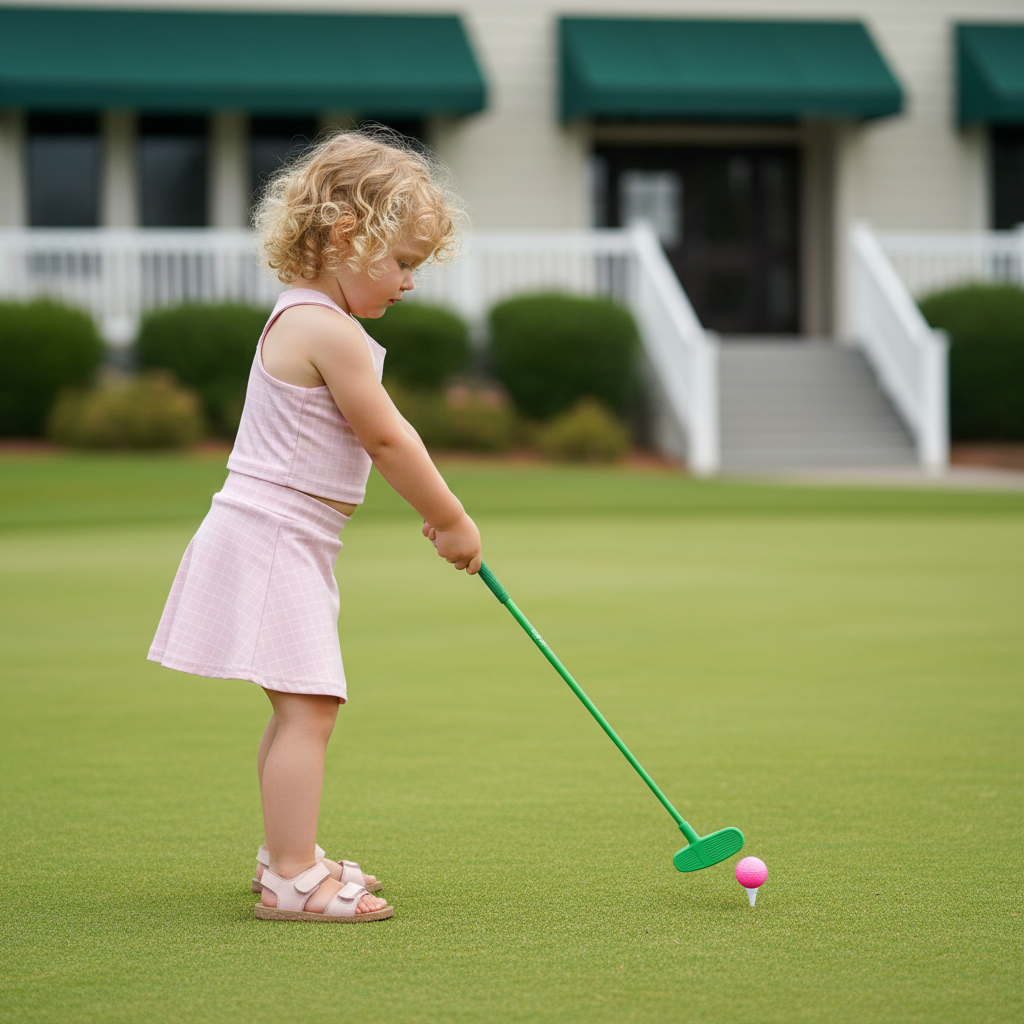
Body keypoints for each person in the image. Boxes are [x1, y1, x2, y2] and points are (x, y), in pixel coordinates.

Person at [148, 130, 481, 923]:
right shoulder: (326, 329)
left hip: (286, 537)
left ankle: (285, 858)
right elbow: (388, 438)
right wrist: (450, 518)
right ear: (344, 236)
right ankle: (294, 878)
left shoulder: (310, 318)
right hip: (272, 536)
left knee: (301, 706)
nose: (410, 281)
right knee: (310, 708)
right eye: (401, 261)